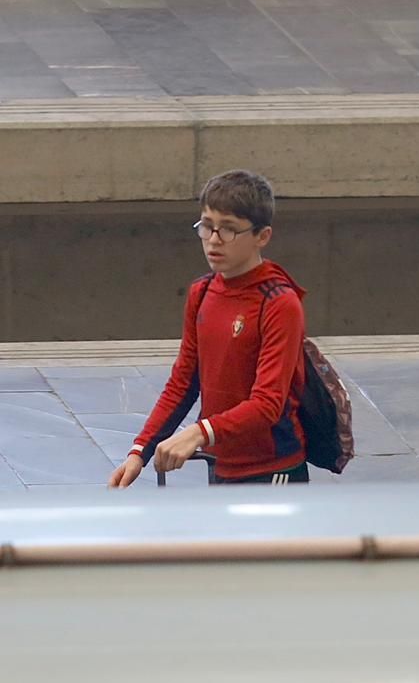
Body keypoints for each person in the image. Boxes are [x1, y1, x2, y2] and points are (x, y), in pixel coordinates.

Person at [109, 170, 309, 487]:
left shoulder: (279, 303)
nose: (214, 240)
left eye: (229, 230)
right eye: (207, 227)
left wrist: (199, 432)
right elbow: (184, 382)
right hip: (221, 465)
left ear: (263, 236)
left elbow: (268, 404)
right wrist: (140, 451)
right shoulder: (201, 293)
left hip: (272, 470)